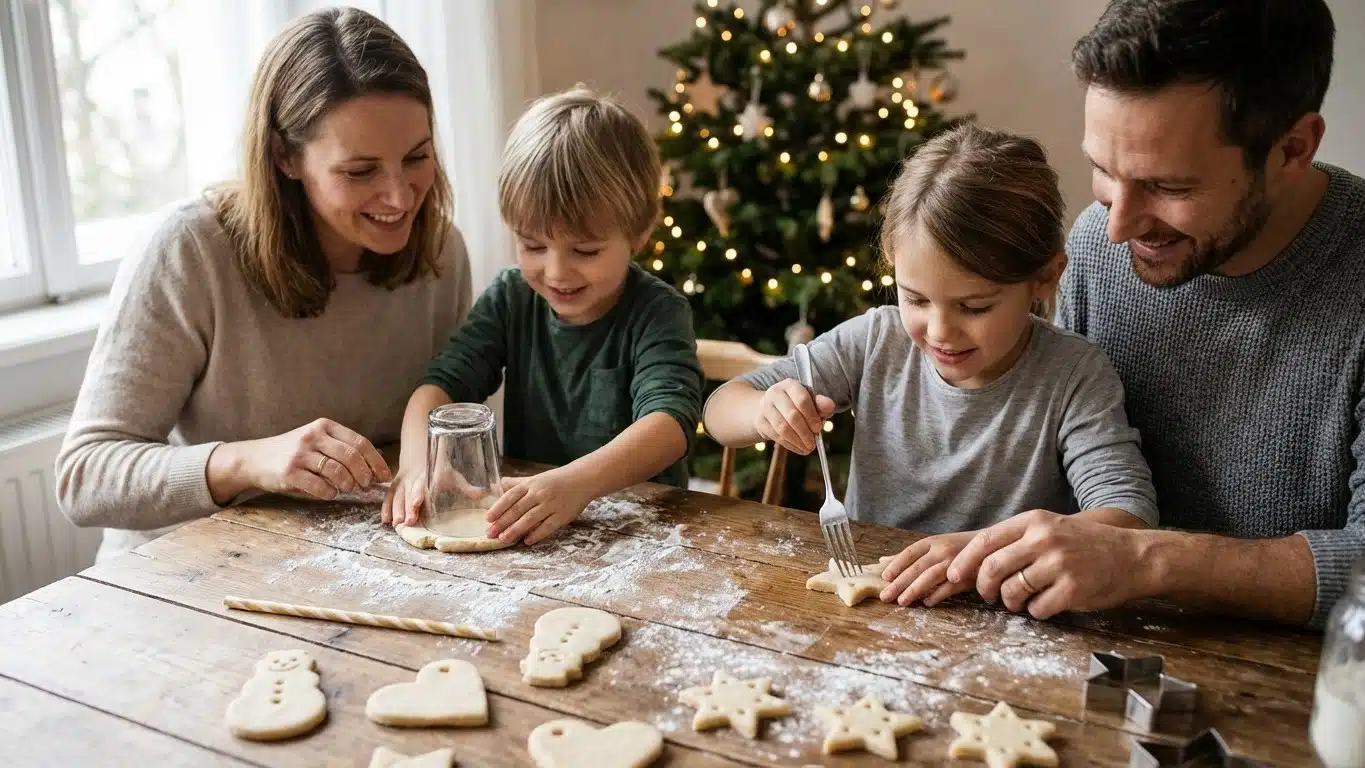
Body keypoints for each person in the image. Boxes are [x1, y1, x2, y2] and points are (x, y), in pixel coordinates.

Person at [946, 0, 1365, 629]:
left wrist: (1146, 559)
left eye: (1169, 187)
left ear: (1292, 148)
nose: (1117, 224)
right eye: (1102, 170)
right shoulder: (1096, 248)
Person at [55, 7, 474, 562]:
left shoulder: (440, 250)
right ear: (285, 157)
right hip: (174, 577)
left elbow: (448, 438)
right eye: (360, 171)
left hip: (342, 565)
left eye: (417, 157)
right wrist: (248, 461)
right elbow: (85, 478)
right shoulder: (189, 251)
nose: (400, 197)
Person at [702, 124, 1158, 607]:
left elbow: (1127, 518)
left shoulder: (1073, 375)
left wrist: (974, 553)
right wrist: (763, 411)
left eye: (974, 307)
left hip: (1000, 617)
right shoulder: (877, 339)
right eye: (915, 299)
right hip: (870, 612)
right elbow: (719, 409)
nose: (939, 332)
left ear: (1044, 278)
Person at [381, 87, 705, 547]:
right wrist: (419, 462)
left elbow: (669, 426)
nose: (555, 272)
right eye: (532, 245)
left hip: (642, 538)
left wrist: (575, 484)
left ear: (639, 233)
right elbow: (440, 386)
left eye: (586, 250)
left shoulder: (657, 312)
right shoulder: (511, 297)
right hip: (533, 532)